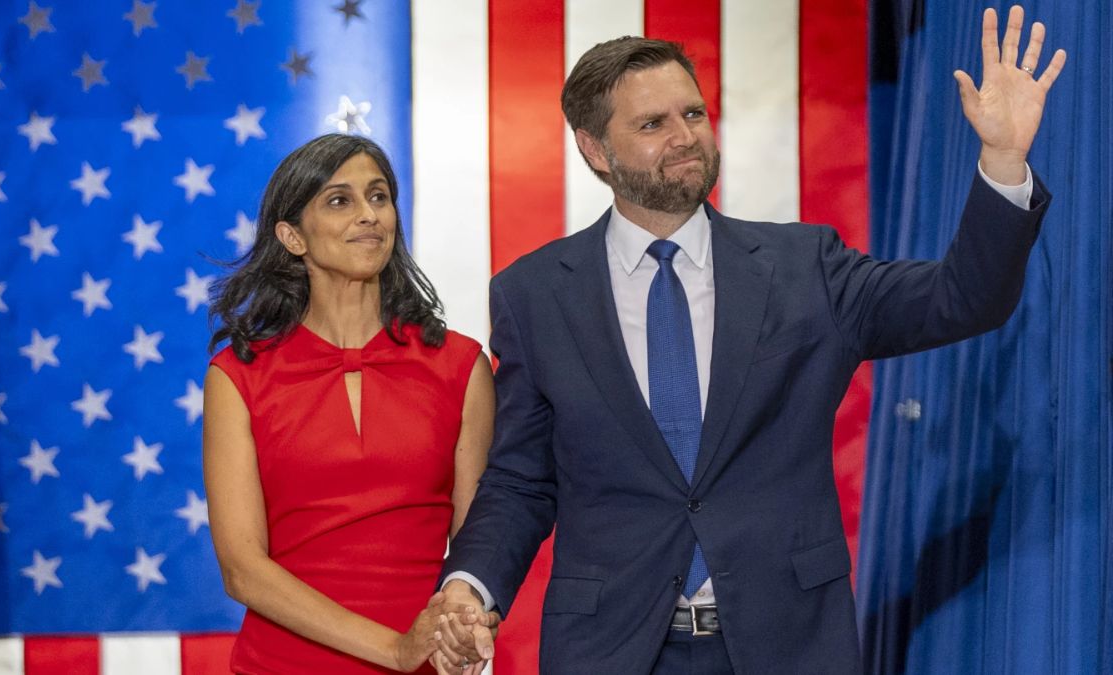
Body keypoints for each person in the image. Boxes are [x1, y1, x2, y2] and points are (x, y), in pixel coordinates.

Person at [431, 6, 1066, 674]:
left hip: (788, 645)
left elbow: (962, 298)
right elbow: (522, 480)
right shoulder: (533, 295)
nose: (685, 137)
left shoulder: (806, 266)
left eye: (693, 114)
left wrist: (1003, 161)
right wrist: (469, 585)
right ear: (595, 149)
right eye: (652, 124)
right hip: (612, 649)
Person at [202, 133, 496, 674]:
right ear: (292, 236)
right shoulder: (237, 376)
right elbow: (242, 569)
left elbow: (479, 547)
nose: (369, 215)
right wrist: (394, 649)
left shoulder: (460, 365)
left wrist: (463, 623)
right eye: (340, 200)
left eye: (379, 196)